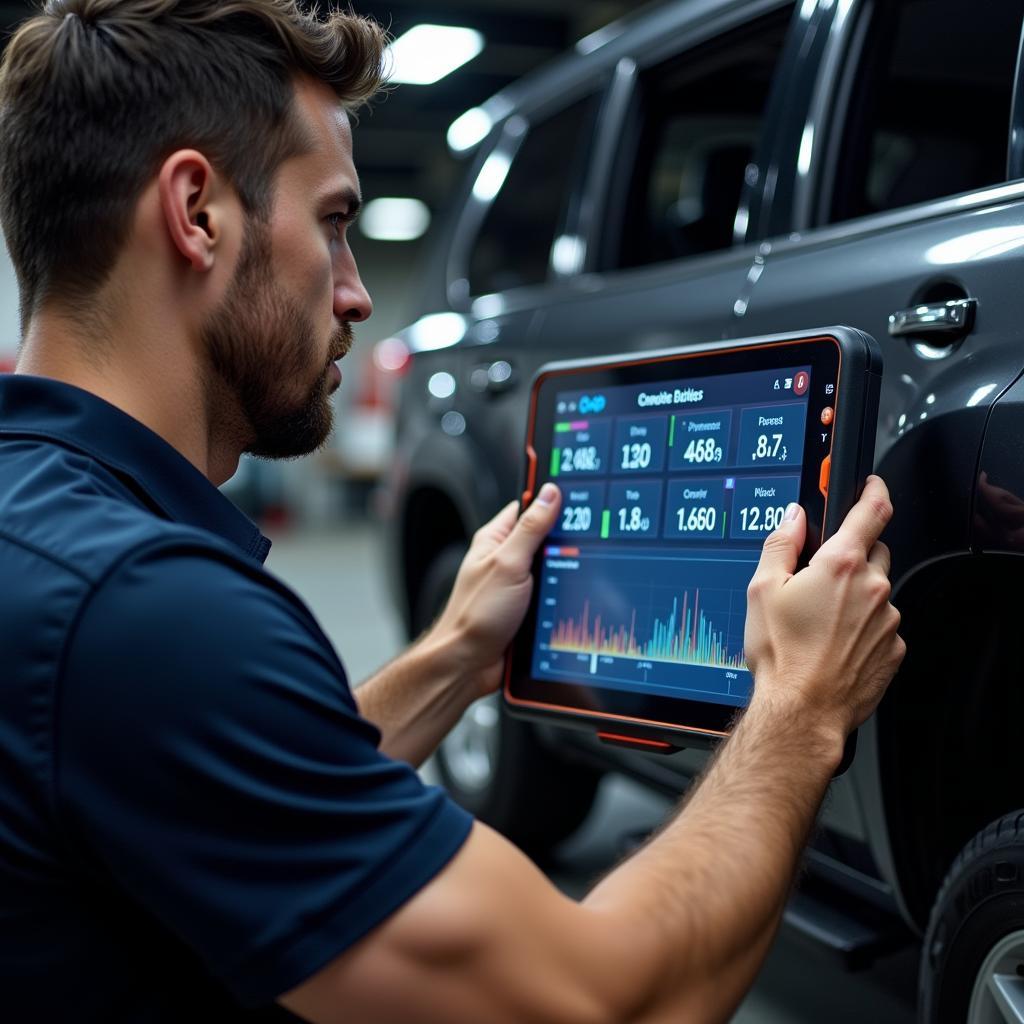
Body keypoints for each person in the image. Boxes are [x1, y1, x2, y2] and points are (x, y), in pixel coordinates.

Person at [0, 2, 904, 1021]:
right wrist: (796, 707)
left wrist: (453, 658)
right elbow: (604, 1002)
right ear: (196, 210)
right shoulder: (142, 611)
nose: (356, 295)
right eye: (336, 222)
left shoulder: (44, 531)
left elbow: (232, 783)